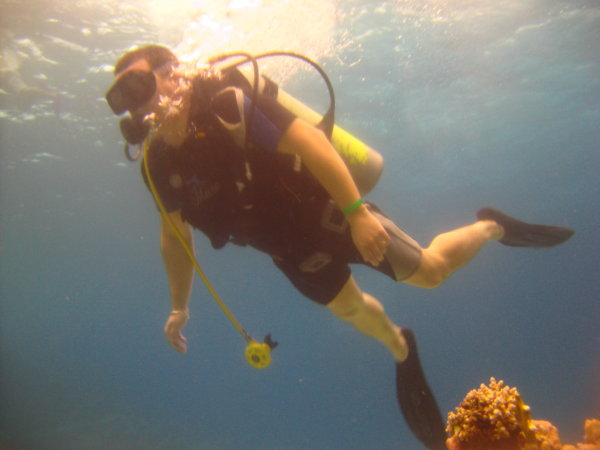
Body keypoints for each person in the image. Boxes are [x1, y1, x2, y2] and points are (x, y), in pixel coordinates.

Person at [105, 45, 574, 449]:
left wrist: (357, 213)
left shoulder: (228, 104)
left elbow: (310, 143)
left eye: (138, 85)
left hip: (330, 213)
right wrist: (179, 307)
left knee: (431, 272)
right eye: (121, 97)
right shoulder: (158, 162)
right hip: (287, 249)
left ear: (173, 74)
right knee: (348, 309)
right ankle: (399, 345)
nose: (135, 105)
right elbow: (174, 237)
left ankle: (491, 226)